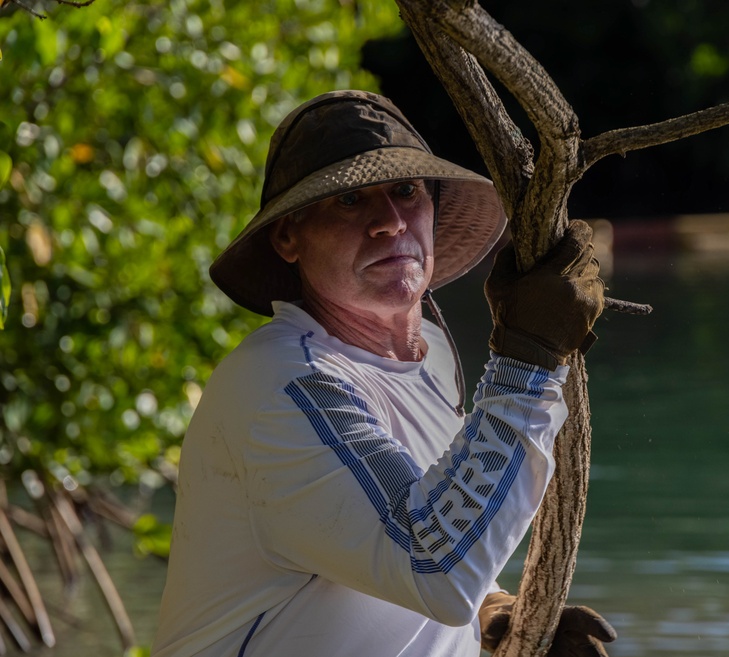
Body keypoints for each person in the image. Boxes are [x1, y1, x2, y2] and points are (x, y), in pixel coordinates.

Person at [152, 90, 615, 657]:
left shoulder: (432, 356)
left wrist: (495, 613)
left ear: (431, 209)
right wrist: (529, 358)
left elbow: (412, 523)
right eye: (348, 201)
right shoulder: (283, 383)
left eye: (405, 191)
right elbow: (433, 566)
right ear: (287, 237)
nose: (389, 222)